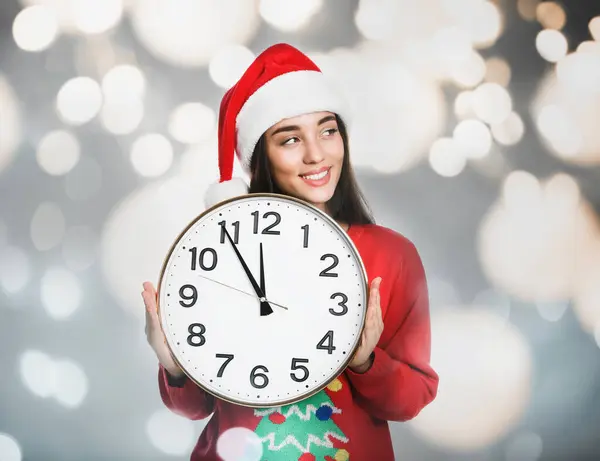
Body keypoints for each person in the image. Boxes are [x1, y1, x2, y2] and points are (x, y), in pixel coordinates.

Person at [142, 43, 439, 461]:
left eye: (327, 130)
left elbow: (411, 399)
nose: (316, 153)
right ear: (261, 156)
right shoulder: (219, 252)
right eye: (290, 139)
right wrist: (174, 363)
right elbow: (194, 407)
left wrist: (365, 362)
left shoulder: (392, 255)